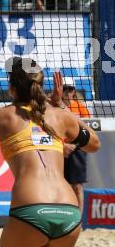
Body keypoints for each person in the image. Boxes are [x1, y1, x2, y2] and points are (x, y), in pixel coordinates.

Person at [0, 58, 101, 247]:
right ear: (40, 86)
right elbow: (94, 144)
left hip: (31, 211)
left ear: (11, 87)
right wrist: (61, 106)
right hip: (69, 214)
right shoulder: (60, 115)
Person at [62, 78, 91, 215]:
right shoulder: (53, 107)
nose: (67, 92)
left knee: (77, 186)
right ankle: (66, 215)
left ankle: (78, 218)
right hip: (58, 149)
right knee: (62, 185)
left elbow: (87, 131)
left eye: (70, 89)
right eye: (64, 88)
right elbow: (47, 130)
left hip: (76, 149)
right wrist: (63, 145)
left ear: (74, 91)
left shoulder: (81, 108)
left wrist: (73, 145)